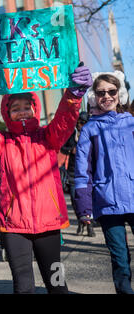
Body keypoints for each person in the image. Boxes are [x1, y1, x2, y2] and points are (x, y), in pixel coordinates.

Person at [0, 63, 93, 294]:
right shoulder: (2, 143)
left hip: (49, 224)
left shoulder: (49, 137)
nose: (22, 111)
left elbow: (64, 119)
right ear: (7, 112)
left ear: (36, 109)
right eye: (15, 108)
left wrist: (74, 94)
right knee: (23, 287)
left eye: (26, 106)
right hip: (14, 227)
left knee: (58, 283)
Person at [74, 72, 134, 294]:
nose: (107, 96)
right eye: (101, 93)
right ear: (94, 96)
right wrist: (83, 207)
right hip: (107, 203)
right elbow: (82, 171)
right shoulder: (89, 129)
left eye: (112, 91)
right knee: (120, 259)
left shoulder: (131, 124)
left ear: (120, 94)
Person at [60, 111, 95, 236]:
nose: (81, 125)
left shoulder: (92, 134)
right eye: (79, 123)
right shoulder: (72, 135)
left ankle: (90, 225)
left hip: (90, 173)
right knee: (76, 201)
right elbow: (62, 147)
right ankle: (81, 221)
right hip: (73, 174)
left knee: (90, 200)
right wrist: (71, 149)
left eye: (83, 122)